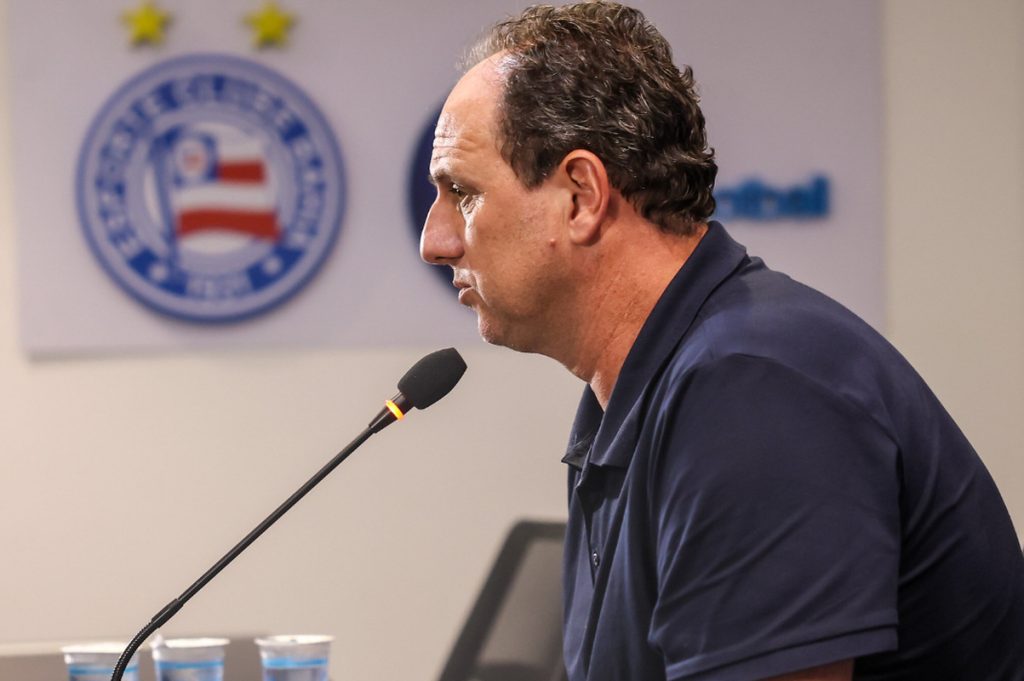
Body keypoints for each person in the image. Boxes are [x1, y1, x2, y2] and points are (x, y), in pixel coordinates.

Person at [419, 2, 1024, 680]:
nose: (433, 242)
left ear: (581, 196)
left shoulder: (755, 389)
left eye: (461, 193)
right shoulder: (637, 388)